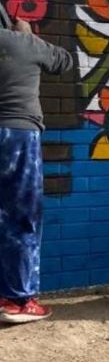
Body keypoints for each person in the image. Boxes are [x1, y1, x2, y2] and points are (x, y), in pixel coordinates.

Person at [0, 17, 74, 324]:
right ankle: (19, 299)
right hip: (17, 134)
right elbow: (64, 61)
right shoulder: (22, 42)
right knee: (22, 217)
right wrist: (27, 34)